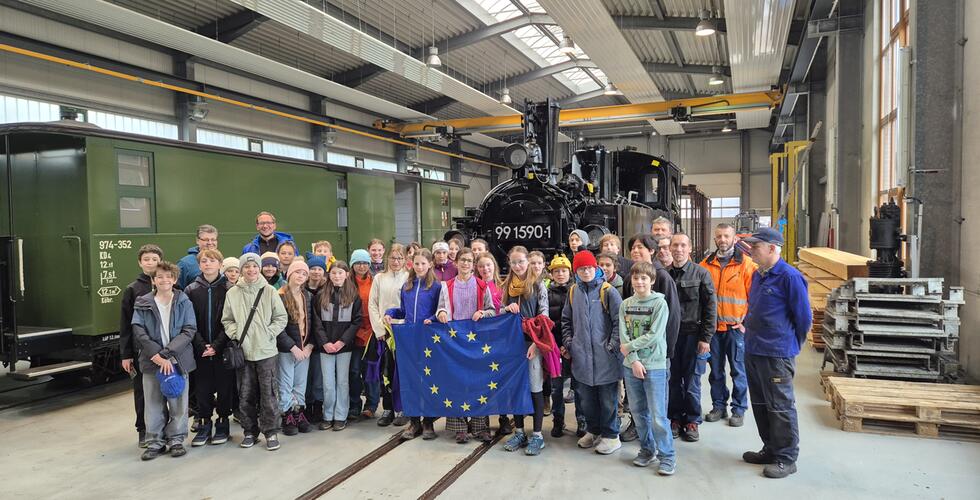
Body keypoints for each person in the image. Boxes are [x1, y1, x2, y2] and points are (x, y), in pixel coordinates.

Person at [740, 228, 811, 479]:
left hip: (776, 353)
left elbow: (804, 318)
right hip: (754, 349)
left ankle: (786, 458)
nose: (751, 251)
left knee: (780, 406)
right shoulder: (758, 275)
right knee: (760, 403)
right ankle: (770, 449)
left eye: (755, 247)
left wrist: (789, 344)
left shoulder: (790, 277)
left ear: (772, 248)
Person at [222, 253, 289, 451]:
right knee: (245, 394)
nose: (251, 270)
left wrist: (269, 333)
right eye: (247, 266)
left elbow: (281, 317)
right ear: (241, 269)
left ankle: (271, 431)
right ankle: (250, 431)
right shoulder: (232, 293)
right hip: (243, 352)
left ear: (258, 268)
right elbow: (227, 319)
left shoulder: (269, 291)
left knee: (269, 394)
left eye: (254, 266)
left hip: (266, 351)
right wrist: (236, 333)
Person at [130, 261, 197, 460]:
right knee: (153, 403)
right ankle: (155, 442)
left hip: (177, 360)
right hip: (152, 361)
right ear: (153, 280)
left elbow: (189, 330)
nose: (164, 280)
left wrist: (166, 354)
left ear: (174, 279)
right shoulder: (142, 302)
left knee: (178, 403)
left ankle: (176, 440)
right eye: (159, 277)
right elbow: (138, 331)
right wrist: (156, 355)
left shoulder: (184, 300)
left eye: (168, 276)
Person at [562, 251, 623, 456]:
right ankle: (594, 430)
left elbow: (619, 321)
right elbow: (566, 320)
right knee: (587, 400)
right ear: (576, 271)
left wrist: (612, 345)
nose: (586, 272)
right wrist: (570, 343)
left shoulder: (608, 291)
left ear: (595, 268)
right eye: (581, 269)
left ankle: (611, 435)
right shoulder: (573, 292)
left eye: (589, 268)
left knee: (607, 399)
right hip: (582, 358)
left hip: (606, 358)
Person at [619, 261, 675, 475]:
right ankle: (647, 449)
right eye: (636, 278)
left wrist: (629, 348)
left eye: (644, 278)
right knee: (637, 412)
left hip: (655, 365)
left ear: (652, 281)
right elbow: (623, 334)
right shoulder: (625, 304)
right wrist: (633, 360)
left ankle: (667, 456)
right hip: (631, 365)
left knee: (658, 415)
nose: (639, 282)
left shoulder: (660, 304)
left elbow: (655, 335)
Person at [435, 248, 496, 443]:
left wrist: (483, 313)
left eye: (469, 261)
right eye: (462, 260)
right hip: (454, 340)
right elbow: (441, 308)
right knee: (456, 382)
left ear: (473, 264)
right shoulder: (447, 286)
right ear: (456, 262)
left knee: (479, 383)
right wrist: (441, 313)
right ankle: (459, 427)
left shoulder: (482, 285)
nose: (465, 263)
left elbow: (492, 310)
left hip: (477, 341)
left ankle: (480, 427)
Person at [383, 249, 443, 440]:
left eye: (423, 263)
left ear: (430, 264)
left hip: (428, 339)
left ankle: (428, 422)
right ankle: (414, 421)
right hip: (409, 340)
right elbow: (403, 311)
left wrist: (433, 318)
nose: (419, 267)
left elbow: (441, 310)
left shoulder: (436, 287)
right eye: (416, 263)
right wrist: (390, 313)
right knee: (411, 380)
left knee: (429, 380)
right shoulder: (407, 286)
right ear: (411, 264)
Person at [701, 223, 756, 427]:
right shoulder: (705, 265)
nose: (722, 240)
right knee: (715, 371)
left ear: (734, 238)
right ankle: (718, 406)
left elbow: (755, 298)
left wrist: (746, 323)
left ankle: (739, 409)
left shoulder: (747, 265)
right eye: (719, 236)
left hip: (735, 330)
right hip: (713, 330)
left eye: (726, 236)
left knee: (738, 371)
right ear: (715, 239)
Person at [666, 233, 717, 442]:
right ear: (670, 248)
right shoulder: (664, 275)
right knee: (673, 380)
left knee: (692, 381)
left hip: (693, 337)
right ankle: (675, 418)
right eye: (675, 245)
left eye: (682, 245)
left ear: (690, 248)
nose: (678, 249)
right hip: (670, 337)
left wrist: (706, 338)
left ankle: (692, 421)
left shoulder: (701, 274)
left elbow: (710, 308)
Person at [500, 246, 550, 456]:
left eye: (521, 261)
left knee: (535, 387)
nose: (518, 265)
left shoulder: (538, 285)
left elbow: (544, 316)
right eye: (513, 262)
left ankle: (537, 435)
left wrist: (536, 344)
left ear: (528, 261)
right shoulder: (507, 285)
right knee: (516, 388)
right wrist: (506, 309)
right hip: (512, 344)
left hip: (532, 344)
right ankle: (519, 431)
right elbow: (499, 310)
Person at [185, 249, 235, 447]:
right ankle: (204, 422)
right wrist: (201, 345)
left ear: (220, 265)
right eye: (204, 261)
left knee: (224, 388)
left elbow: (232, 321)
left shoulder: (230, 289)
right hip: (200, 349)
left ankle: (223, 422)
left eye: (212, 261)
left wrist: (217, 345)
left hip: (223, 348)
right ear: (199, 265)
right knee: (202, 388)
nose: (208, 264)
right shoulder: (191, 290)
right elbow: (188, 321)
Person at [120, 244, 163, 448]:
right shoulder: (133, 289)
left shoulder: (168, 284)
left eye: (154, 259)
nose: (150, 263)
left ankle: (164, 428)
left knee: (166, 389)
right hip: (141, 350)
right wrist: (126, 354)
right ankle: (143, 429)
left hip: (164, 348)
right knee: (142, 391)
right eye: (146, 259)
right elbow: (125, 324)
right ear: (140, 262)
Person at [314, 261, 362, 431]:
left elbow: (356, 321)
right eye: (333, 273)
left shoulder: (353, 295)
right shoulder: (321, 295)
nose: (337, 276)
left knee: (342, 382)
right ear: (329, 275)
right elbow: (316, 322)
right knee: (328, 383)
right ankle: (328, 415)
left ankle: (341, 416)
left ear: (347, 274)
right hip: (325, 347)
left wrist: (342, 341)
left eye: (340, 273)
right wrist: (325, 342)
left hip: (344, 347)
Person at [368, 244, 410, 427]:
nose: (396, 261)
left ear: (405, 260)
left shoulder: (409, 278)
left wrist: (402, 325)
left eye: (400, 258)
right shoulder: (379, 278)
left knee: (401, 372)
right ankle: (388, 408)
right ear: (387, 258)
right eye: (393, 258)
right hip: (384, 333)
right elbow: (372, 304)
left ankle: (403, 409)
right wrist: (379, 329)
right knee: (386, 370)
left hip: (402, 332)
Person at [276, 261, 317, 436]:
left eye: (304, 273)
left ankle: (298, 411)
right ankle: (287, 414)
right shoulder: (279, 296)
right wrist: (292, 347)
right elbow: (278, 327)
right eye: (297, 272)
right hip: (287, 349)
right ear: (289, 274)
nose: (300, 276)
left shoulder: (307, 296)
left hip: (304, 348)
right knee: (285, 383)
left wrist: (309, 346)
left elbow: (314, 323)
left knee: (300, 383)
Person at [546, 254, 583, 438]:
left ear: (570, 273)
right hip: (555, 348)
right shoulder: (547, 293)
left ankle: (582, 420)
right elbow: (547, 322)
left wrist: (569, 346)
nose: (560, 274)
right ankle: (558, 420)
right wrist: (557, 345)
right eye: (556, 271)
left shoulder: (577, 291)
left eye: (564, 271)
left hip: (574, 347)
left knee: (579, 387)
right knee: (556, 387)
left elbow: (578, 322)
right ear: (551, 274)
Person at [348, 249, 379, 420]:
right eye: (358, 263)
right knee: (353, 371)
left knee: (371, 370)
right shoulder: (347, 283)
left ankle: (371, 404)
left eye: (365, 263)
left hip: (372, 332)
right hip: (352, 333)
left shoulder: (375, 281)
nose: (362, 266)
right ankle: (354, 404)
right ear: (352, 265)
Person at [304, 255, 329, 424]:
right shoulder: (302, 289)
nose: (316, 272)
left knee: (319, 377)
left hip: (320, 341)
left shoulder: (327, 290)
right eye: (312, 268)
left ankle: (318, 406)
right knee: (306, 377)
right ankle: (307, 406)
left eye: (319, 269)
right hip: (304, 342)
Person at [177, 224, 218, 289]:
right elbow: (175, 291)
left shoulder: (221, 261)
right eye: (206, 239)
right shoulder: (185, 264)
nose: (210, 243)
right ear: (197, 240)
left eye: (213, 239)